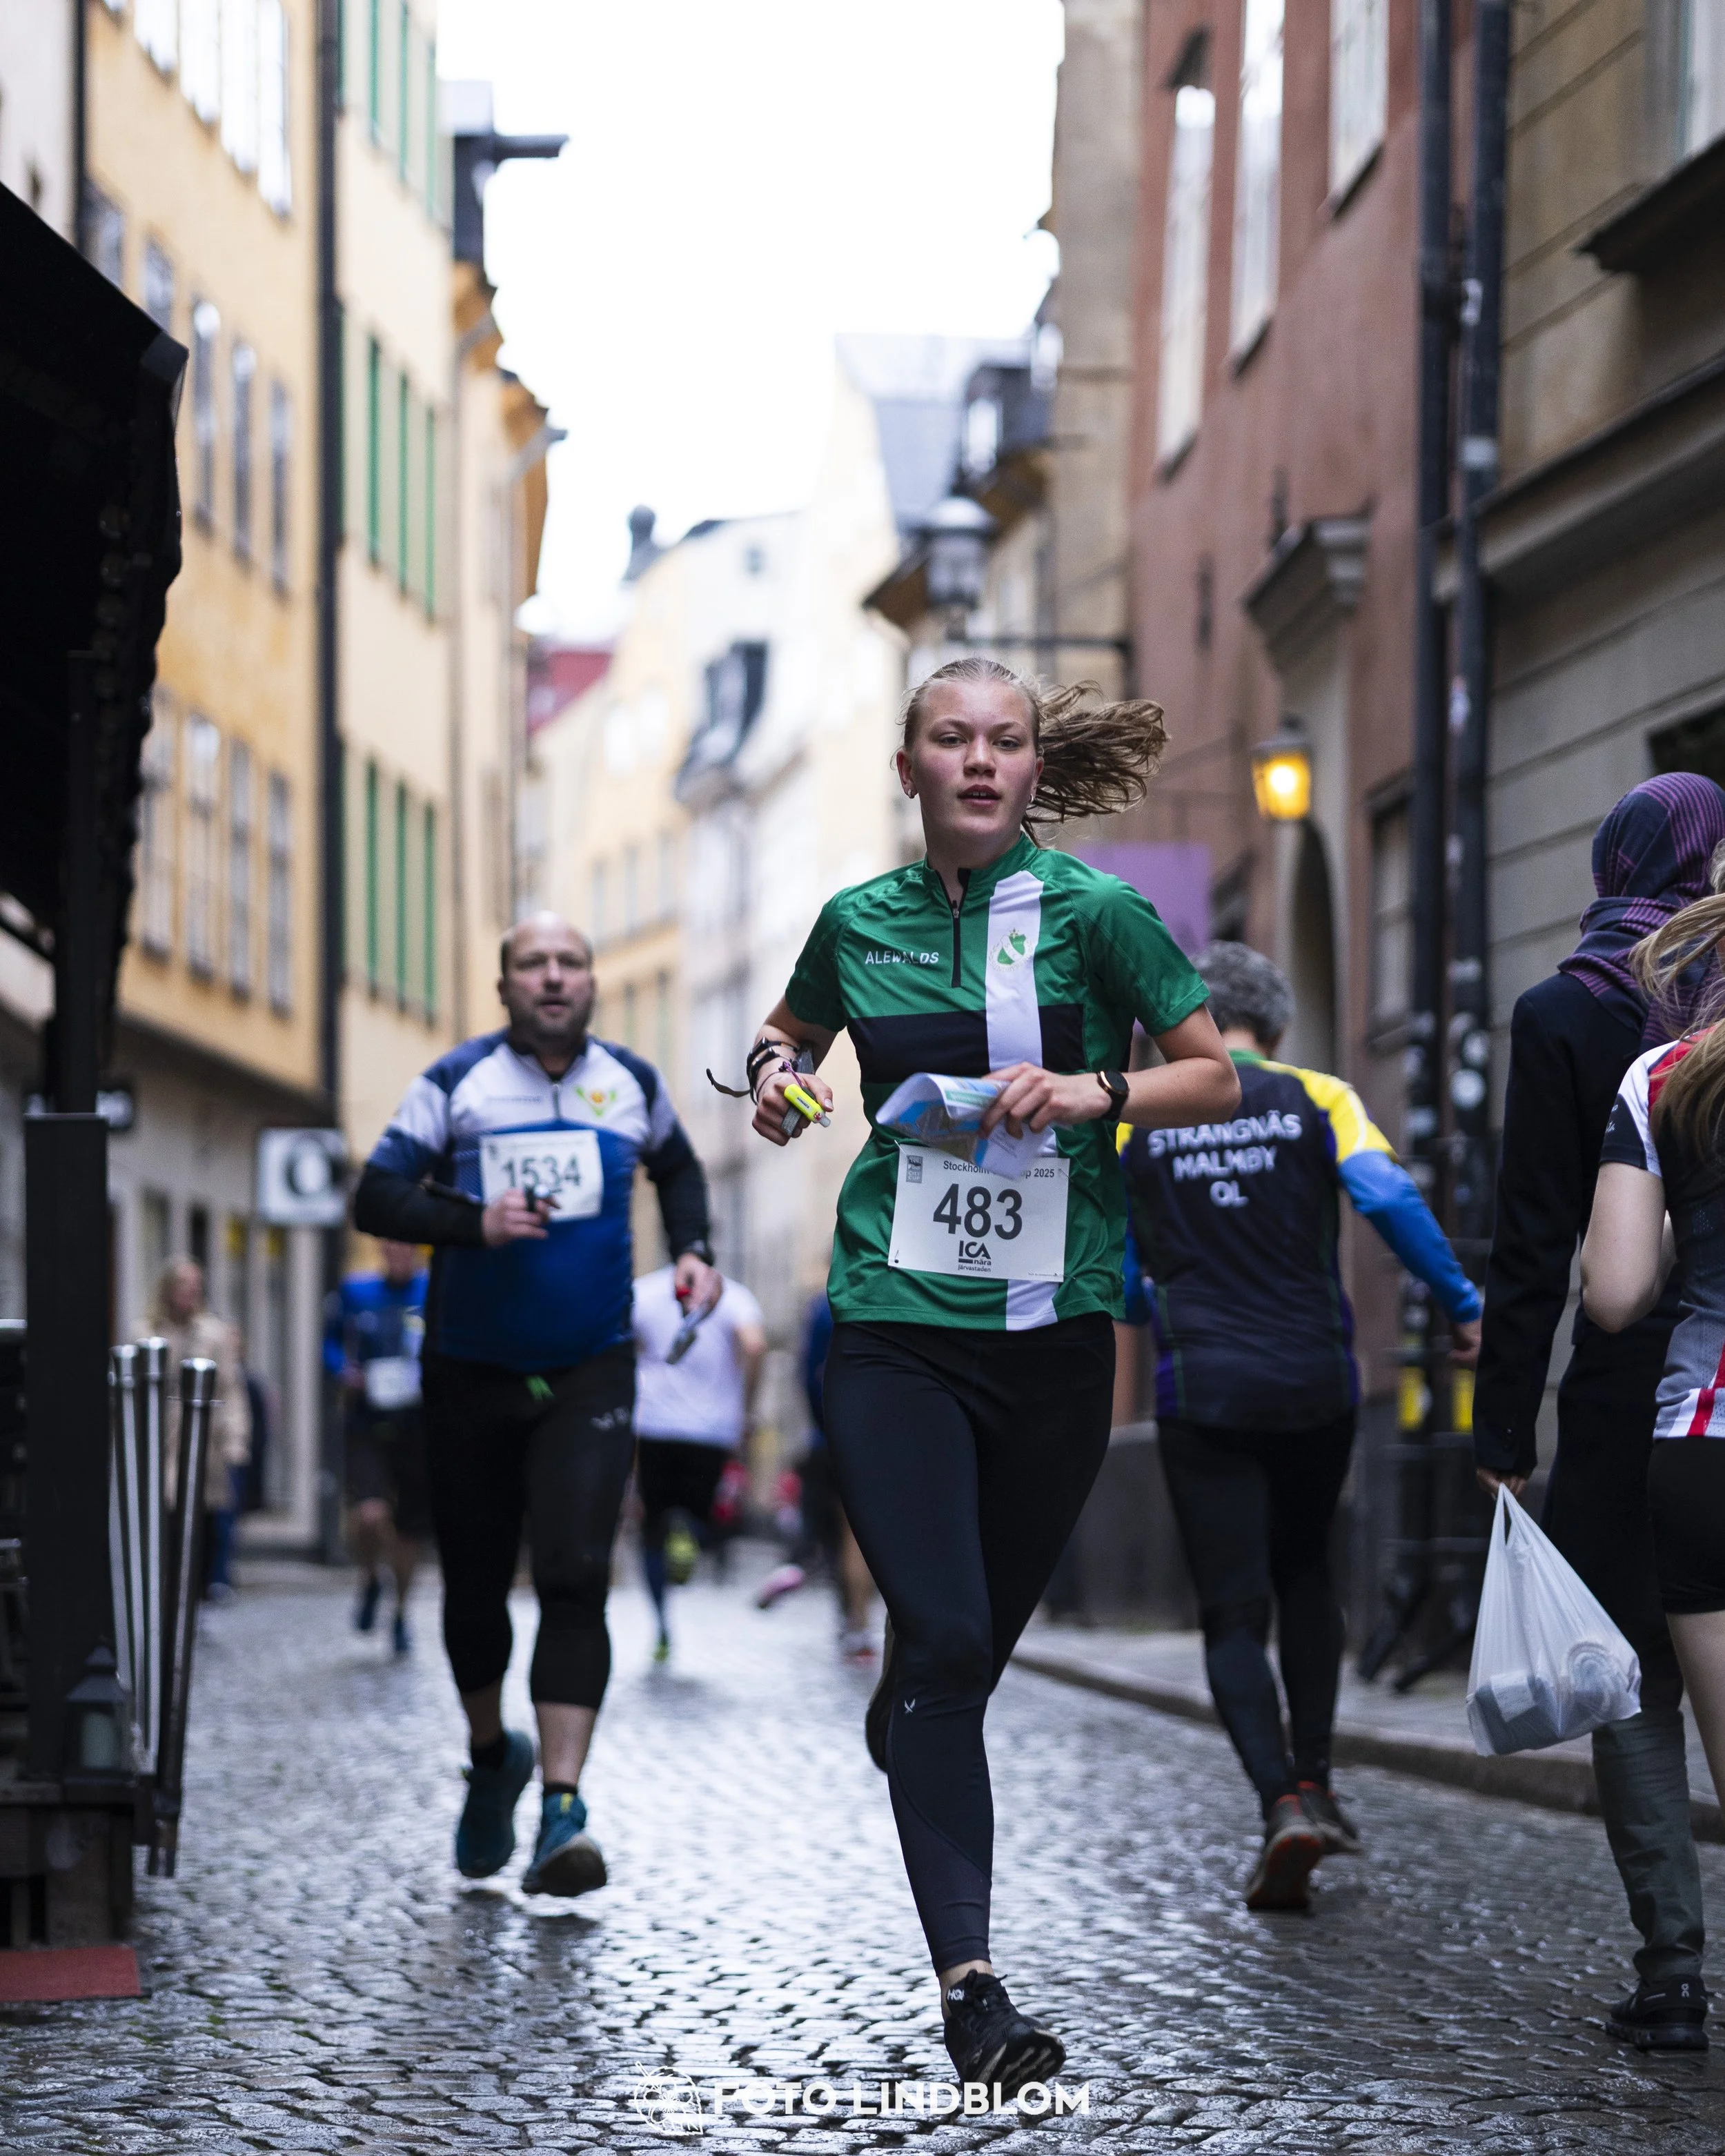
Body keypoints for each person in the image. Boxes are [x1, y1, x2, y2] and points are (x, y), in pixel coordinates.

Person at [744, 655, 1239, 2094]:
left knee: (958, 1653)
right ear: (906, 769)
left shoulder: (1094, 915)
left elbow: (1210, 1071)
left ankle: (913, 1691)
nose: (977, 760)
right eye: (948, 739)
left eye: (1003, 741)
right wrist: (776, 1082)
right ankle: (971, 1989)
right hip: (891, 1325)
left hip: (1052, 1338)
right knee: (952, 1642)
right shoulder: (856, 923)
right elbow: (786, 1038)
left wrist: (1101, 1089)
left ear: (1032, 769)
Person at [353, 912, 717, 1899]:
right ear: (505, 985)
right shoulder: (458, 1082)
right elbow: (376, 1196)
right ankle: (490, 1758)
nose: (553, 978)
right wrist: (474, 1221)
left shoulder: (631, 1083)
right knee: (473, 1589)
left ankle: (563, 1806)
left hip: (590, 1368)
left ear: (592, 981)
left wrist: (694, 1252)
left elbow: (680, 1169)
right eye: (532, 964)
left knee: (573, 1572)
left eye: (570, 963)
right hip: (470, 1369)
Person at [1121, 942, 1481, 1912]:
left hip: (1202, 1387)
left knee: (1233, 1611)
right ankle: (1317, 1778)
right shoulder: (1316, 1094)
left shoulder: (1139, 1119)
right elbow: (1389, 1196)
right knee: (1308, 1573)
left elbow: (1114, 1277)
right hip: (1316, 1382)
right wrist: (1460, 1302)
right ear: (1273, 1022)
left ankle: (1280, 1802)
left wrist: (1162, 1297)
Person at [1490, 773, 1725, 2054]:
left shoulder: (1568, 1016)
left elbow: (1535, 1244)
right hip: (1706, 1379)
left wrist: (1497, 1430)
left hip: (1630, 1392)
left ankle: (1674, 1971)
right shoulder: (1708, 1013)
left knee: (1630, 1673)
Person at [630, 1261, 766, 1661]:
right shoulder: (734, 1295)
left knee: (651, 1531)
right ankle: (689, 1529)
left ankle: (661, 1626)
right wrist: (747, 1407)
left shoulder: (646, 1291)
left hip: (652, 1425)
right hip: (712, 1429)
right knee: (701, 1516)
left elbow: (620, 1340)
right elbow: (756, 1345)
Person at [755, 1288, 879, 1659]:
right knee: (859, 1537)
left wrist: (822, 1426)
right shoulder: (895, 1294)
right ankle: (857, 1623)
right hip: (879, 1436)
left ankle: (852, 1622)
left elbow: (807, 1375)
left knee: (843, 1536)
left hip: (832, 1437)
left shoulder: (827, 1305)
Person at [323, 1236, 431, 1656]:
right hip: (368, 1420)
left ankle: (401, 1612)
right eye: (393, 1247)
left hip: (418, 1426)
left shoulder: (431, 1293)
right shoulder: (357, 1292)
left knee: (408, 1531)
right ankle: (369, 1577)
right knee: (369, 1515)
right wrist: (343, 1372)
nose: (400, 1254)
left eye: (408, 1248)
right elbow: (330, 1343)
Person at [140, 1258, 251, 1603]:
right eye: (183, 1284)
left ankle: (195, 1592)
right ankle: (168, 1591)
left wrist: (236, 1438)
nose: (190, 1292)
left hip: (204, 1439)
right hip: (159, 1437)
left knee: (201, 1516)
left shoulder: (213, 1334)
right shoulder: (147, 1331)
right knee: (166, 1510)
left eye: (195, 1285)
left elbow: (231, 1388)